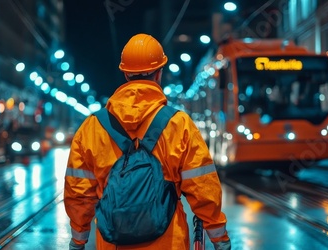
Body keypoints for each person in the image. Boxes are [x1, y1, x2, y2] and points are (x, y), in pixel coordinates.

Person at [64, 34, 231, 250]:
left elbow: (78, 193)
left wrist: (78, 240)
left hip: (113, 242)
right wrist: (219, 237)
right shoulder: (178, 124)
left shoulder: (92, 127)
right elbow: (203, 188)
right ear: (159, 73)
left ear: (125, 74)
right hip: (169, 242)